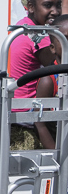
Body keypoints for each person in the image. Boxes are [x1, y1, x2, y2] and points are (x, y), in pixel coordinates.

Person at [9, 0, 61, 149]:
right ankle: (57, 156)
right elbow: (56, 64)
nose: (55, 11)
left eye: (58, 5)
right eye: (48, 5)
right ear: (31, 6)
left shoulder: (25, 24)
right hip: (24, 110)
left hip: (13, 103)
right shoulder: (37, 35)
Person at [34, 15, 68, 149]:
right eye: (65, 38)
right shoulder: (48, 80)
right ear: (52, 48)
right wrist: (57, 156)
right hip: (60, 147)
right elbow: (39, 124)